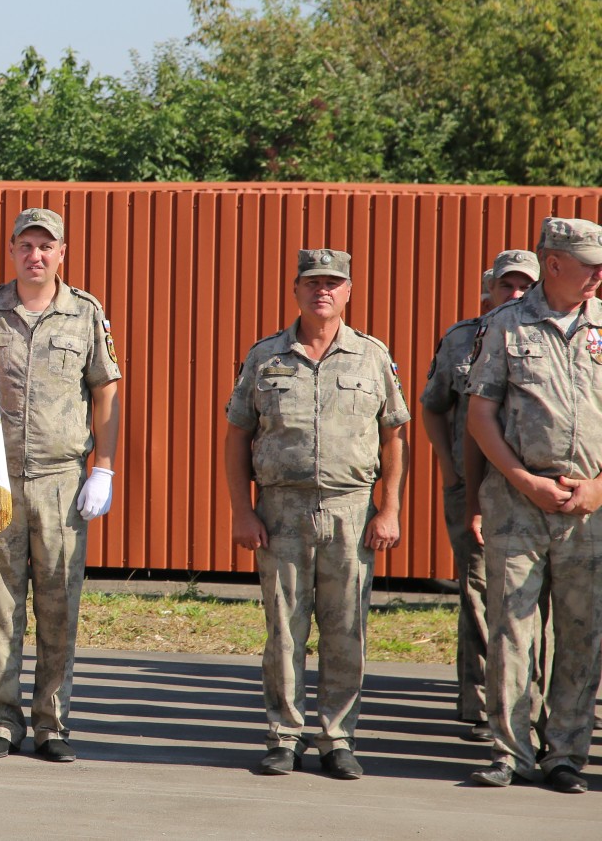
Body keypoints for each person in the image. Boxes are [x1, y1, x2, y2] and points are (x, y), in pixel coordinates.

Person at [224, 248, 409, 780]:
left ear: (348, 291)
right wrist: (243, 510)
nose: (322, 291)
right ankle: (284, 736)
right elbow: (237, 438)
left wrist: (389, 508)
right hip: (281, 510)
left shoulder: (372, 357)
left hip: (351, 509)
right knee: (283, 627)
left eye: (333, 283)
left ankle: (337, 737)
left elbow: (393, 439)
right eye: (312, 282)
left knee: (346, 625)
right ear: (296, 291)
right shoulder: (266, 357)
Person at [0, 208, 121, 762]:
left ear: (62, 253)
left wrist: (102, 467)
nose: (35, 255)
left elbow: (105, 391)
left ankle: (51, 723)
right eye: (26, 245)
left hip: (62, 480)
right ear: (11, 249)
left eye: (46, 246)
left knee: (58, 605)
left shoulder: (84, 314)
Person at [466, 217, 602, 794]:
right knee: (514, 629)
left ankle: (565, 752)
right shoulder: (504, 325)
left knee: (581, 630)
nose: (598, 273)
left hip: (589, 506)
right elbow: (479, 416)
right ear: (552, 264)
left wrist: (600, 487)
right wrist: (525, 481)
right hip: (518, 505)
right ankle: (510, 751)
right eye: (587, 262)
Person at [418, 249, 538, 742]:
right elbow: (433, 406)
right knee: (478, 592)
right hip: (473, 486)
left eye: (524, 287)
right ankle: (480, 702)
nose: (515, 295)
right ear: (488, 288)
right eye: (506, 286)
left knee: (533, 601)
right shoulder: (462, 339)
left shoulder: (554, 337)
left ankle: (536, 705)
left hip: (536, 491)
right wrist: (450, 473)